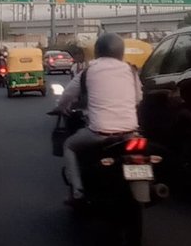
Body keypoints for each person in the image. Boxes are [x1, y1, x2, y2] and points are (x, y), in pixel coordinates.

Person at [50, 32, 142, 204]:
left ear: (98, 51)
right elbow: (138, 98)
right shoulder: (131, 70)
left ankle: (78, 191)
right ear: (120, 51)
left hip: (99, 133)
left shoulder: (88, 72)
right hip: (130, 132)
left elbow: (67, 96)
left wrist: (60, 108)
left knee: (69, 146)